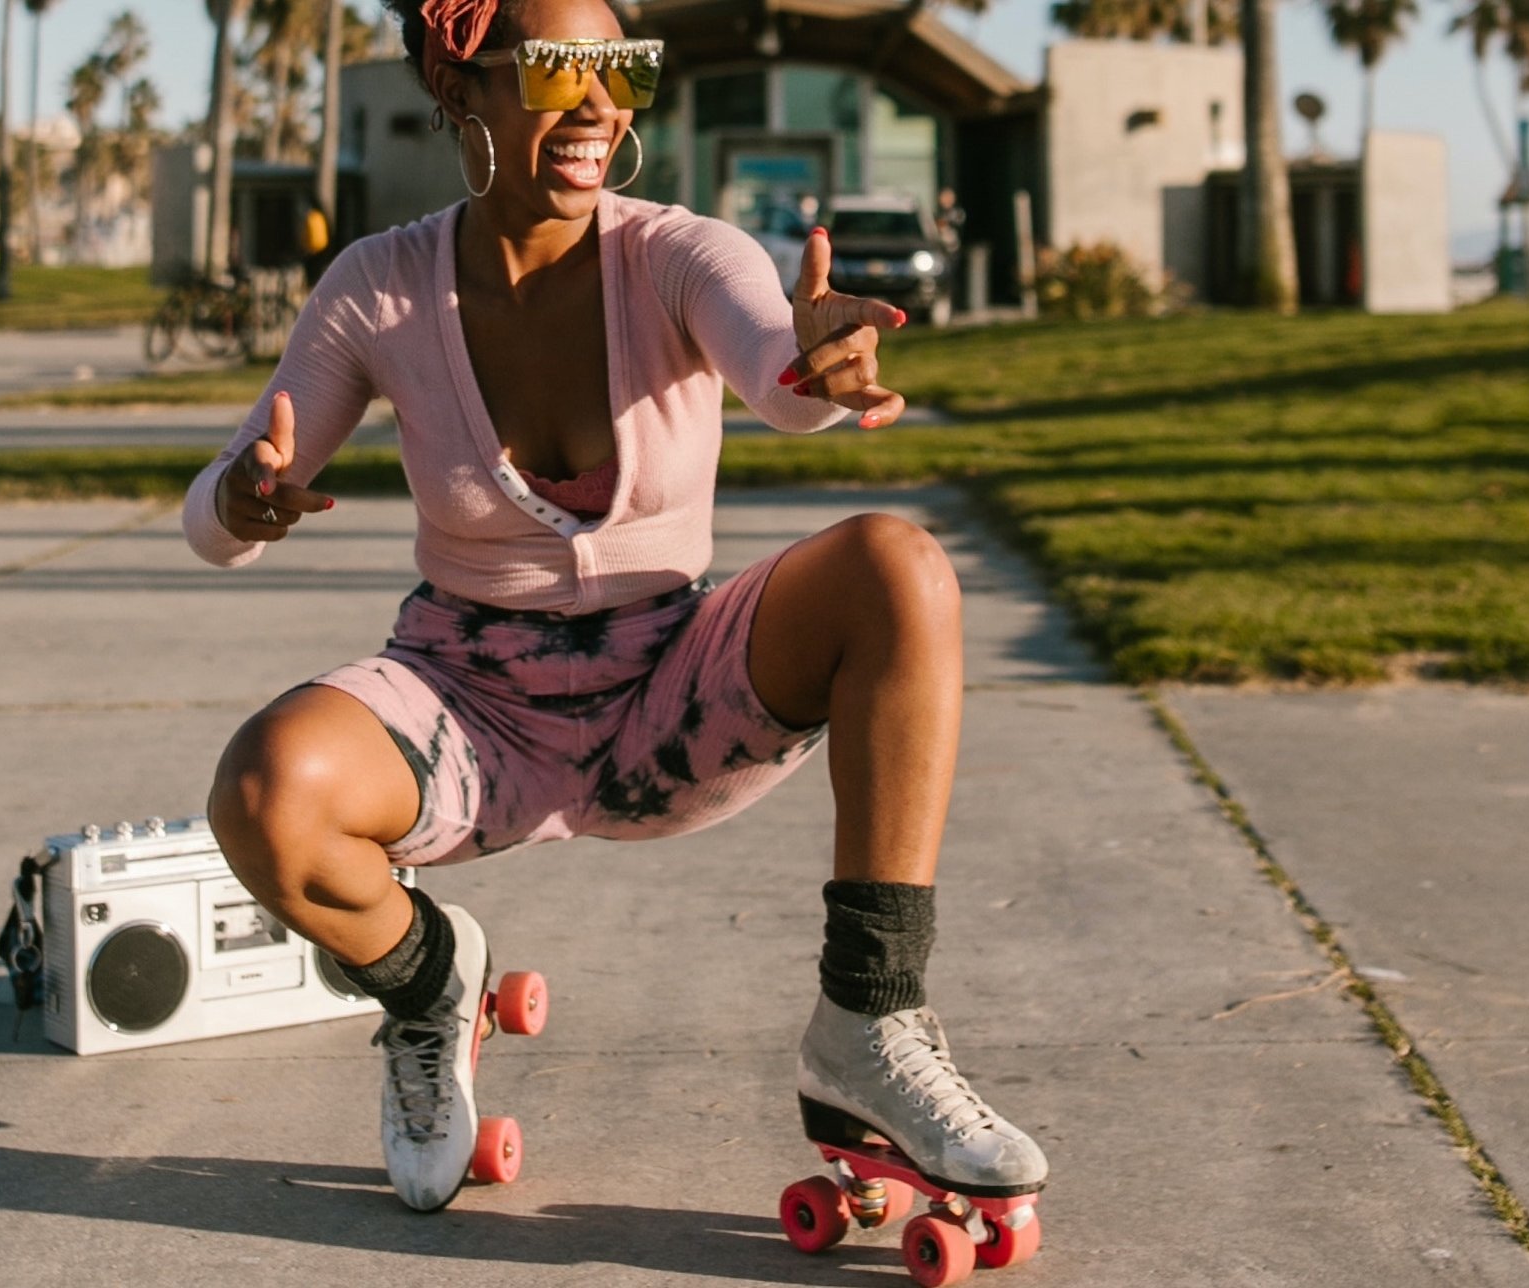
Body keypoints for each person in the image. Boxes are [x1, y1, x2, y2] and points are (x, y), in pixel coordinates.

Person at [185, 0, 1049, 1215]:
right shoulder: (379, 288)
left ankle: (869, 1021)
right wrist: (249, 497)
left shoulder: (677, 253)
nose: (600, 104)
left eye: (623, 69)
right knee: (264, 793)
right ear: (462, 89)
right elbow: (215, 518)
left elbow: (774, 374)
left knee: (897, 568)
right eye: (556, 70)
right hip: (466, 700)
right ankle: (428, 982)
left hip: (672, 691)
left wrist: (815, 363)